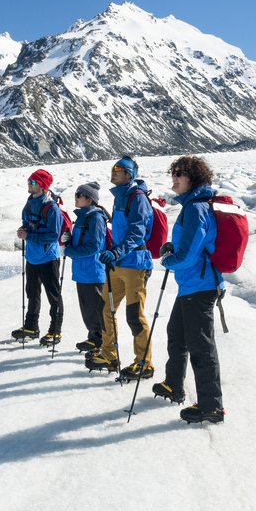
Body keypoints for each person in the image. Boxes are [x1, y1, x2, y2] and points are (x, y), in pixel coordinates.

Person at [153, 154, 226, 424]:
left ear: (192, 178)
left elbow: (190, 254)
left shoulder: (196, 208)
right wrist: (173, 250)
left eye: (180, 174)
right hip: (192, 284)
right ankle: (174, 385)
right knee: (177, 334)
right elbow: (189, 246)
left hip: (200, 285)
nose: (174, 178)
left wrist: (170, 259)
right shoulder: (193, 206)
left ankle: (211, 407)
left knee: (201, 347)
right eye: (174, 172)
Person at [86, 155, 154, 380]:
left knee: (134, 315)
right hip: (118, 264)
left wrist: (116, 252)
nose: (113, 171)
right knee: (106, 309)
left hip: (134, 264)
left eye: (119, 169)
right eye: (113, 168)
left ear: (130, 174)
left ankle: (144, 363)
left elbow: (137, 232)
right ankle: (109, 354)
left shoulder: (137, 198)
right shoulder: (120, 196)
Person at [13, 169, 64, 344]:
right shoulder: (29, 204)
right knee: (32, 293)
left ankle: (55, 331)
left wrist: (29, 236)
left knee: (53, 296)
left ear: (42, 186)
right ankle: (31, 326)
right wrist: (24, 230)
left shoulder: (52, 209)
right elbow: (29, 225)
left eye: (33, 182)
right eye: (29, 180)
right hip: (33, 256)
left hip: (48, 258)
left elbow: (53, 235)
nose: (29, 183)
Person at [63, 181, 108, 353]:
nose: (76, 197)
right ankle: (94, 337)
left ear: (89, 200)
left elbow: (94, 246)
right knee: (88, 309)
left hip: (92, 271)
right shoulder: (83, 217)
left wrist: (71, 251)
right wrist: (70, 241)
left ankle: (101, 341)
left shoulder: (95, 218)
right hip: (83, 271)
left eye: (79, 195)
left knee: (96, 309)